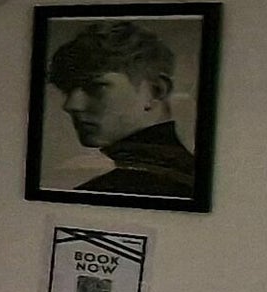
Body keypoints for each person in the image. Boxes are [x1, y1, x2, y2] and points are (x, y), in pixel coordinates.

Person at [43, 22, 198, 199]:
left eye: (95, 87)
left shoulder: (112, 190)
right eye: (67, 89)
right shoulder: (187, 174)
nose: (71, 105)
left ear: (156, 90)